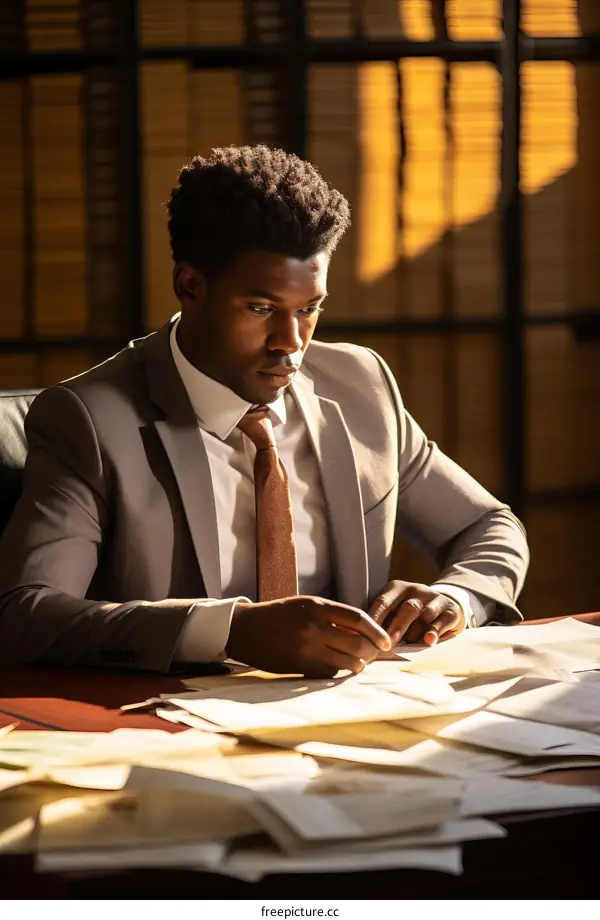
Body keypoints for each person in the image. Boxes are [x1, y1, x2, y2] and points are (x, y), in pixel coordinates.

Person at [0, 145, 529, 677]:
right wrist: (229, 631)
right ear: (191, 286)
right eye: (260, 309)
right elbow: (26, 613)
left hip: (354, 712)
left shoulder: (361, 386)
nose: (291, 344)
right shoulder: (90, 421)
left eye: (309, 309)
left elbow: (489, 525)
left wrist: (456, 598)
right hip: (174, 727)